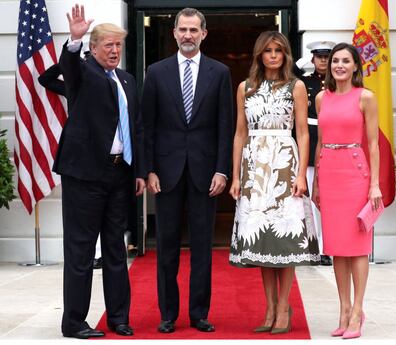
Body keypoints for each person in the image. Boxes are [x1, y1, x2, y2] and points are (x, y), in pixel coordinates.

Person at [54, 4, 146, 339]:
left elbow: (135, 126)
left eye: (118, 45)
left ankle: (118, 318)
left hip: (119, 174)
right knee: (80, 252)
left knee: (116, 251)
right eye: (107, 44)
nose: (114, 50)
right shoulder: (83, 72)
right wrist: (74, 41)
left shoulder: (127, 79)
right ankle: (74, 321)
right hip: (84, 176)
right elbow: (68, 69)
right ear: (93, 48)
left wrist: (138, 170)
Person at [141, 7, 233, 334]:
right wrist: (148, 169)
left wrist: (223, 170)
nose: (188, 35)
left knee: (202, 248)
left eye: (194, 30)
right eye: (183, 29)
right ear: (174, 33)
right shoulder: (156, 71)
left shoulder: (220, 72)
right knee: (165, 246)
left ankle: (199, 313)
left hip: (205, 173)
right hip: (165, 173)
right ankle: (168, 314)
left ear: (204, 34)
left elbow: (226, 126)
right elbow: (146, 126)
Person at [229, 31, 320, 334]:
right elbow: (240, 133)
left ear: (285, 55)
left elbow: (303, 133)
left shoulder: (296, 86)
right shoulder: (246, 88)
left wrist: (300, 175)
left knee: (286, 238)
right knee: (262, 240)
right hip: (254, 166)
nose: (272, 55)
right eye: (267, 50)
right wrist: (236, 175)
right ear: (259, 54)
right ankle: (268, 307)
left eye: (278, 50)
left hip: (284, 164)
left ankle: (283, 306)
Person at [312, 42, 382, 339]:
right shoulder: (320, 98)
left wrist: (375, 184)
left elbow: (374, 144)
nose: (339, 65)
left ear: (355, 66)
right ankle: (342, 309)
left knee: (357, 248)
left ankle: (357, 310)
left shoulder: (365, 97)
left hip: (355, 173)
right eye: (335, 61)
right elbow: (319, 140)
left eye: (345, 61)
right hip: (328, 172)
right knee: (337, 248)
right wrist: (315, 181)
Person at [38, 48, 104, 270]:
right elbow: (44, 79)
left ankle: (101, 254)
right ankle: (92, 256)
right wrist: (66, 63)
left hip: (106, 154)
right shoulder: (74, 86)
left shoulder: (109, 83)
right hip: (82, 153)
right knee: (84, 214)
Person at [298, 41, 336, 266]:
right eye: (318, 56)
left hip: (332, 140)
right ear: (312, 59)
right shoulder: (304, 82)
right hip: (311, 141)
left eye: (326, 57)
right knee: (310, 201)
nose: (322, 60)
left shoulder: (338, 83)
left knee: (328, 201)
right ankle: (313, 247)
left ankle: (326, 247)